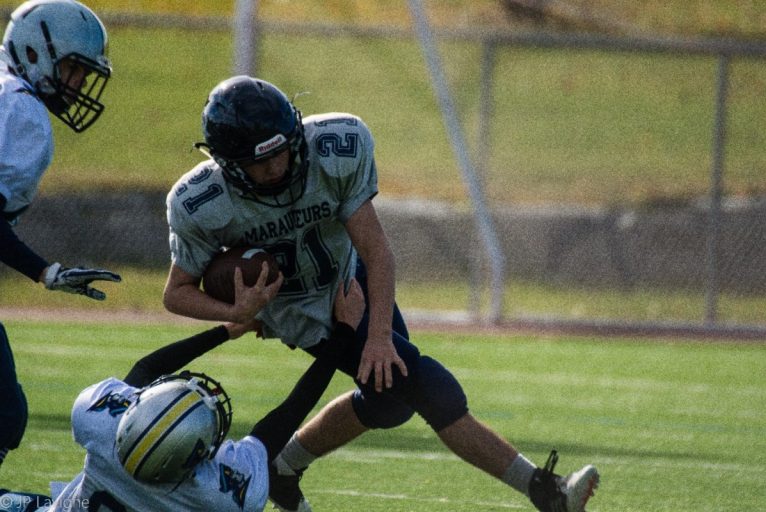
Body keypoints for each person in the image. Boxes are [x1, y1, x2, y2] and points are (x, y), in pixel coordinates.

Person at [162, 75, 600, 512]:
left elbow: (376, 250)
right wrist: (235, 309)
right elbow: (176, 293)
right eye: (261, 163)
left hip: (349, 276)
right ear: (229, 164)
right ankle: (547, 492)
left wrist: (377, 336)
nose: (277, 167)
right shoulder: (201, 201)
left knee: (389, 403)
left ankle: (281, 467)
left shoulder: (335, 146)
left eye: (281, 151)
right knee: (428, 385)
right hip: (300, 309)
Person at [0, 273, 366, 512]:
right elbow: (286, 417)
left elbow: (144, 370)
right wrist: (347, 331)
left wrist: (225, 329)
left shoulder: (97, 422)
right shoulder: (214, 494)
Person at [0, 0, 121, 470]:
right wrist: (45, 271)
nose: (78, 84)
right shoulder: (22, 113)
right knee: (4, 415)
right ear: (34, 53)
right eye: (73, 69)